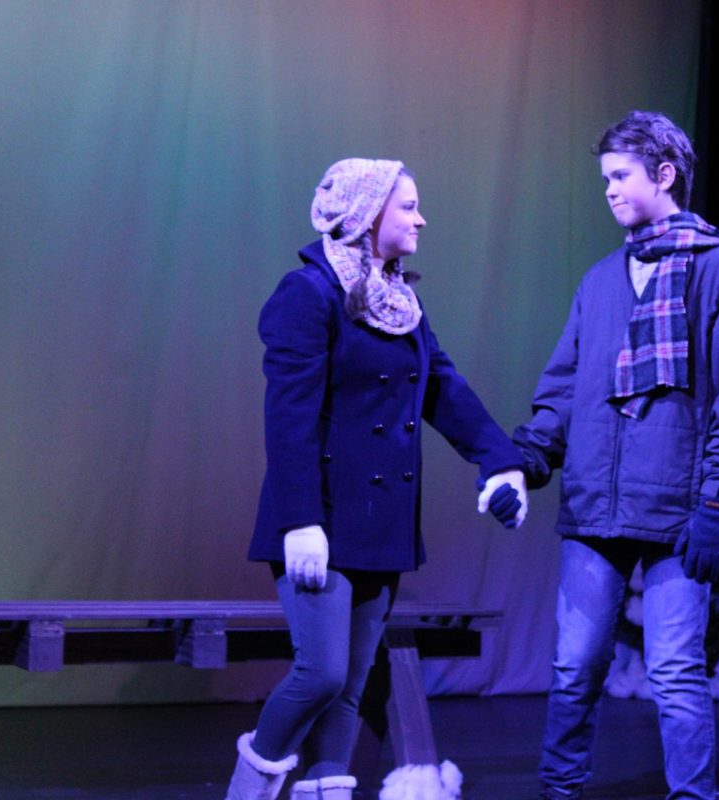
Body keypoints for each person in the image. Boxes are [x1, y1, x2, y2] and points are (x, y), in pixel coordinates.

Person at [225, 158, 527, 800]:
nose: (421, 218)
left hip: (382, 521)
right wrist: (299, 519)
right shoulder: (307, 295)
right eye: (408, 205)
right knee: (322, 673)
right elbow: (289, 418)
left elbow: (445, 389)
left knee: (354, 685)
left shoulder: (401, 302)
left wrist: (501, 460)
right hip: (322, 518)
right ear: (367, 215)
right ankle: (246, 792)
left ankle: (328, 789)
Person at [513, 111, 719, 800]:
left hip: (680, 508)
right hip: (597, 502)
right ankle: (559, 791)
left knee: (675, 671)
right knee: (574, 666)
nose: (608, 190)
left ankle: (692, 797)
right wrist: (530, 457)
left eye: (621, 175)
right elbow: (565, 386)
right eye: (604, 178)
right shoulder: (603, 278)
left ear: (665, 175)